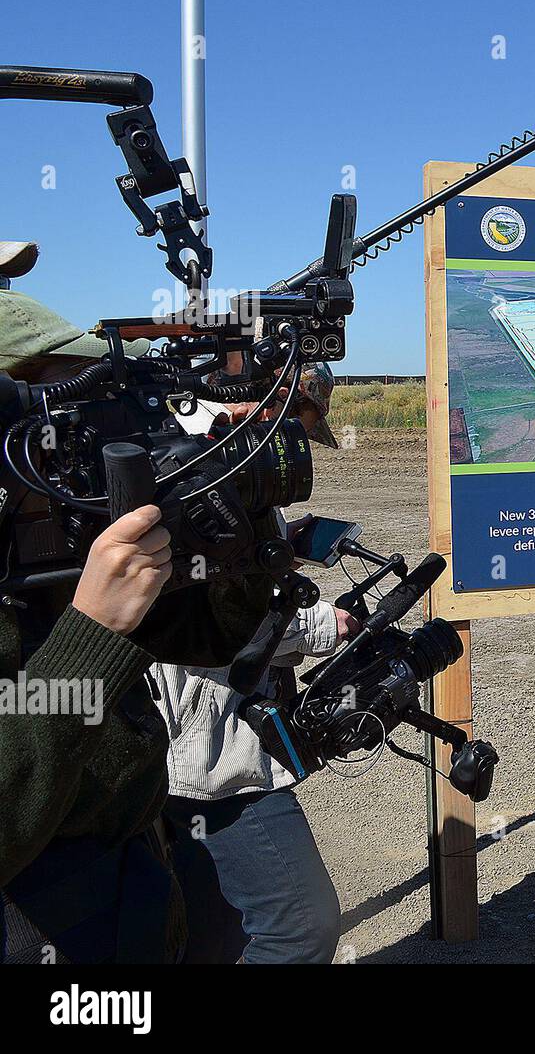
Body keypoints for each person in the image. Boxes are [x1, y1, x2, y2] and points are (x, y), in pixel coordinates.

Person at [0, 284, 274, 963]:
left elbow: (204, 638)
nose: (94, 433)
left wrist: (240, 531)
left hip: (142, 882)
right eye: (74, 407)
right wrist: (93, 630)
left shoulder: (53, 533)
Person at [159, 359, 352, 964]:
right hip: (212, 755)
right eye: (297, 425)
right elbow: (213, 628)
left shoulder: (220, 466)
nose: (295, 447)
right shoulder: (199, 473)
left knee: (209, 933)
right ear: (270, 401)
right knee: (300, 928)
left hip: (204, 743)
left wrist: (281, 543)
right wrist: (324, 625)